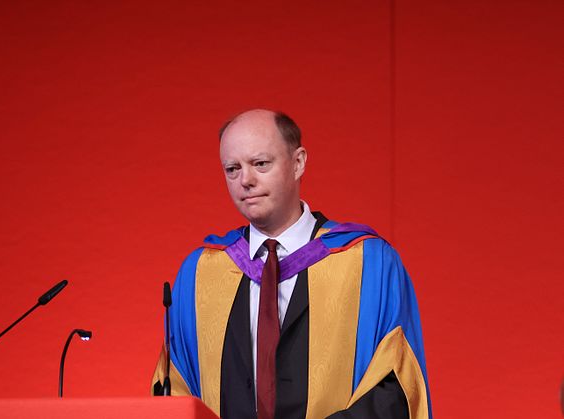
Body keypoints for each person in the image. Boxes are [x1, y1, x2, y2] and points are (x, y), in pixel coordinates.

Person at [152, 109, 431, 419]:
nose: (245, 180)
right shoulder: (199, 273)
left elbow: (396, 387)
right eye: (232, 169)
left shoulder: (368, 263)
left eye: (260, 164)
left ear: (298, 163)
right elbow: (174, 394)